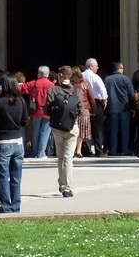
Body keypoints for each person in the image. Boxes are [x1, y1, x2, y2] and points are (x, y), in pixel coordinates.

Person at [0, 73, 29, 213]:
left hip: (3, 141)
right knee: (16, 176)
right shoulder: (21, 101)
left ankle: (5, 206)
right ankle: (15, 205)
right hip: (17, 142)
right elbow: (25, 121)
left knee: (3, 176)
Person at [47, 66, 80, 197]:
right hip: (72, 127)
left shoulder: (53, 90)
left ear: (60, 76)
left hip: (57, 127)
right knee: (68, 158)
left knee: (61, 157)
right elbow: (81, 109)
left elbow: (47, 109)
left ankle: (62, 183)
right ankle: (66, 187)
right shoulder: (77, 91)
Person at [18, 66, 53, 158]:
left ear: (39, 74)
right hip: (48, 112)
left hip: (35, 111)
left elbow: (21, 88)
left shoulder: (34, 83)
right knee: (45, 133)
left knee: (35, 132)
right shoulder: (52, 85)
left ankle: (34, 152)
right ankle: (41, 153)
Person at [104, 62, 136, 156]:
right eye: (122, 68)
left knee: (113, 130)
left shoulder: (107, 79)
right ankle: (125, 150)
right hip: (124, 108)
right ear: (119, 69)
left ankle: (113, 150)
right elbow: (131, 94)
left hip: (112, 108)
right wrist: (133, 107)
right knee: (125, 130)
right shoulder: (125, 79)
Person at [71, 69, 95, 157]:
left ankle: (72, 150)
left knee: (73, 130)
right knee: (81, 132)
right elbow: (91, 98)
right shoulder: (85, 84)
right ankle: (78, 150)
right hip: (84, 109)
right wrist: (94, 110)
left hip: (73, 109)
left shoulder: (71, 85)